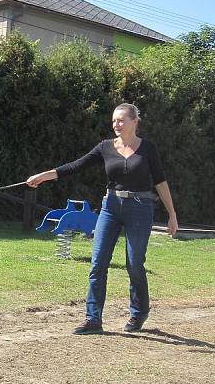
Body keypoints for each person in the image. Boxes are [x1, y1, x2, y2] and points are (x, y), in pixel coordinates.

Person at [26, 103, 178, 334]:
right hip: (110, 207)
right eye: (114, 121)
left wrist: (172, 214)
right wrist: (43, 176)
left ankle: (138, 313)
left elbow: (160, 181)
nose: (116, 125)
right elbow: (75, 166)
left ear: (134, 122)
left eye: (121, 120)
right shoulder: (105, 147)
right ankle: (92, 319)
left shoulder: (148, 149)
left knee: (134, 263)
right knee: (98, 263)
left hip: (140, 208)